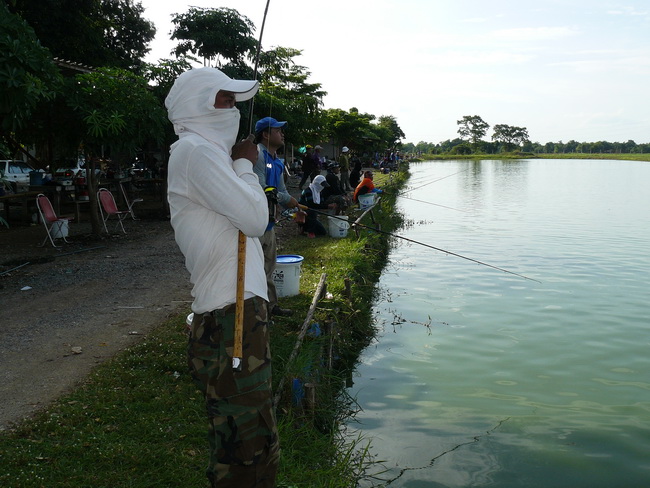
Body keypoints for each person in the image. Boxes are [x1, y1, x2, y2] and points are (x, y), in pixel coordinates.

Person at [165, 67, 279, 488]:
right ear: (197, 103)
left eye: (236, 101)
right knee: (243, 449)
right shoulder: (196, 152)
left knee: (255, 433)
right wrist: (247, 166)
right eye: (224, 99)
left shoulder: (211, 154)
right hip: (230, 315)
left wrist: (238, 165)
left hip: (240, 310)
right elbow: (254, 217)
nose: (233, 110)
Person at [253, 116, 299, 318]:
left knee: (269, 267)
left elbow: (280, 191)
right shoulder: (257, 156)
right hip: (254, 223)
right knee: (254, 270)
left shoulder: (278, 162)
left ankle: (271, 307)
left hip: (270, 223)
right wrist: (286, 199)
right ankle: (256, 311)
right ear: (265, 134)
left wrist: (293, 207)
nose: (282, 134)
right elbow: (261, 188)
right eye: (278, 130)